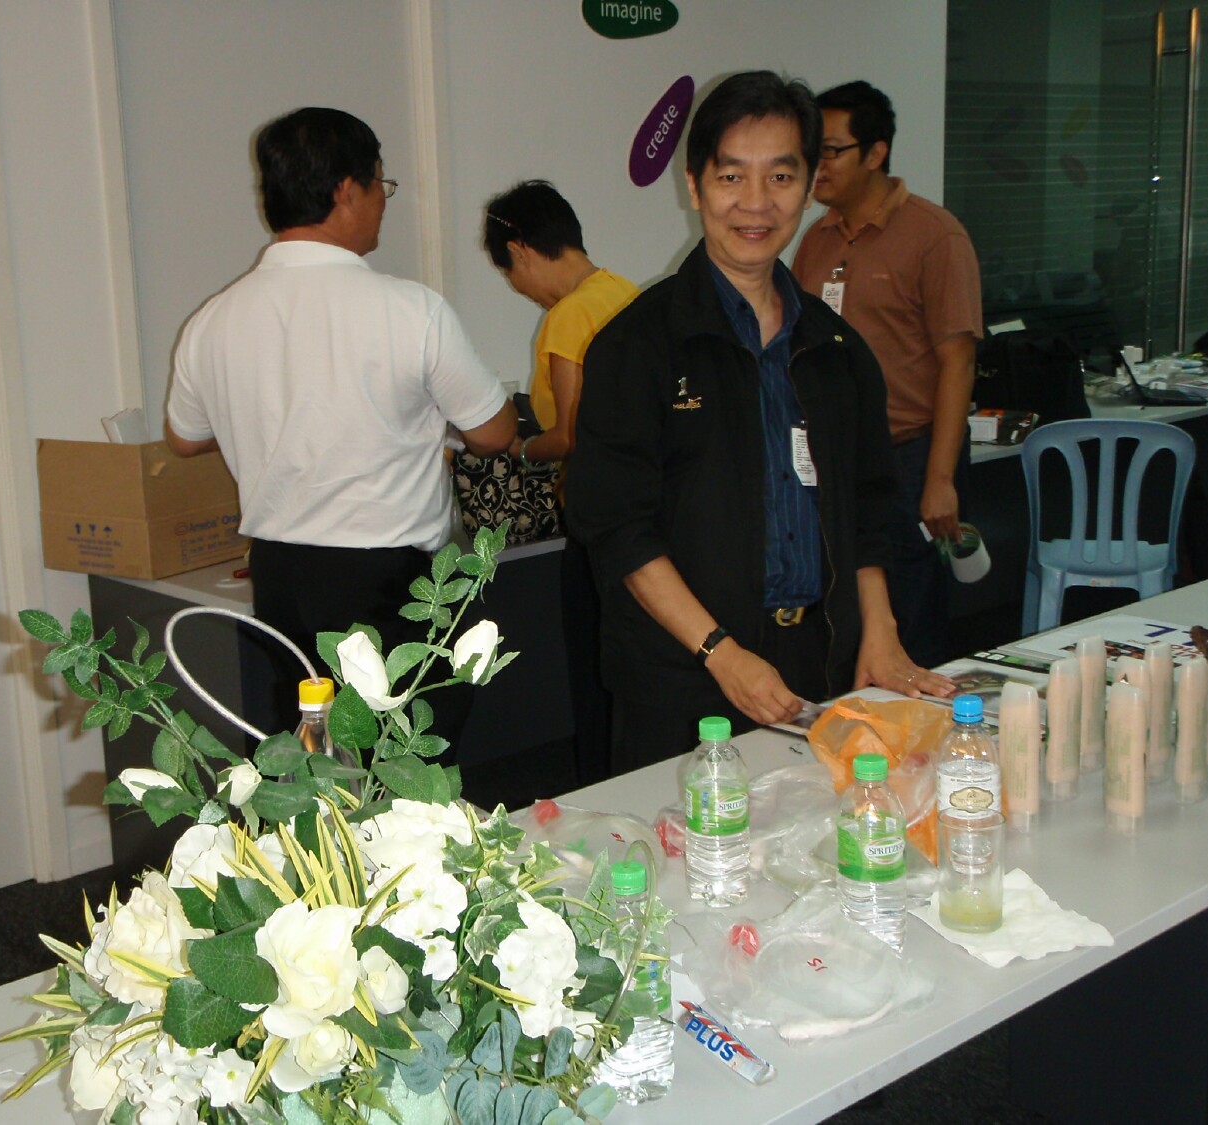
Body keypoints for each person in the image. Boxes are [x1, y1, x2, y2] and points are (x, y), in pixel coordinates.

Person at [565, 71, 953, 774]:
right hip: (684, 679)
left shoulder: (836, 348)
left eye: (780, 176)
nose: (755, 202)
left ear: (808, 186)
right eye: (731, 176)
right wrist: (721, 652)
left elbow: (870, 507)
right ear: (695, 186)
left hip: (820, 664)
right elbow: (618, 529)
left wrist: (881, 631)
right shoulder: (638, 345)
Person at [165, 107, 517, 751]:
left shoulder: (214, 318)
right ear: (347, 190)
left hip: (280, 575)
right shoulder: (410, 310)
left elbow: (185, 437)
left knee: (313, 755)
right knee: (404, 760)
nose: (383, 203)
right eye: (382, 185)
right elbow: (494, 433)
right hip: (389, 581)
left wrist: (271, 416)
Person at [793, 80, 983, 669]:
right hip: (832, 458)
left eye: (831, 150)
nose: (817, 165)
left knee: (912, 620)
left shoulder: (935, 235)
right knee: (844, 616)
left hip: (909, 456)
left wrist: (940, 478)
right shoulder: (815, 239)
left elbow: (958, 362)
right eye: (812, 151)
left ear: (876, 153)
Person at [482, 180, 638, 783]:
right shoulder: (624, 291)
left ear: (520, 251)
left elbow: (570, 434)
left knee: (592, 668)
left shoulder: (568, 316)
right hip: (643, 511)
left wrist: (521, 448)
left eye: (510, 275)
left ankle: (599, 784)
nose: (521, 289)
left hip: (595, 517)